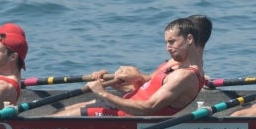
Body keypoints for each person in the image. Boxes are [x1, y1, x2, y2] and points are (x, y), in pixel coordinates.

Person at [52, 16, 209, 116]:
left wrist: (103, 93)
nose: (168, 48)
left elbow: (148, 107)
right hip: (120, 107)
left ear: (190, 39)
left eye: (172, 42)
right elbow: (145, 92)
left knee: (57, 119)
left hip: (123, 118)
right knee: (61, 112)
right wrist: (118, 83)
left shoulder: (186, 76)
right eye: (166, 42)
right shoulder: (176, 64)